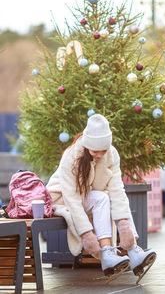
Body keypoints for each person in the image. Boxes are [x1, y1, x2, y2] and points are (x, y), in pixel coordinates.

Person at [46, 114, 156, 283]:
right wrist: (86, 233)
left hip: (89, 196)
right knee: (101, 198)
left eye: (103, 151)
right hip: (62, 198)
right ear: (87, 145)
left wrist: (125, 227)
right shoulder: (71, 157)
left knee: (113, 197)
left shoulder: (112, 155)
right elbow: (72, 199)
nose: (99, 155)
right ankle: (107, 254)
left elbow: (117, 189)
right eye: (95, 151)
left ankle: (134, 251)